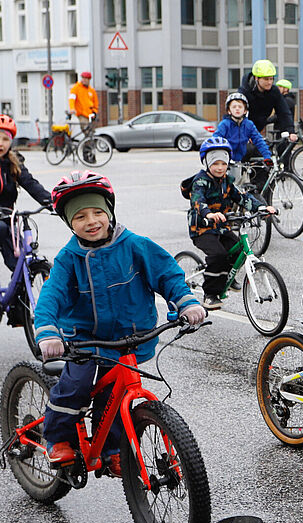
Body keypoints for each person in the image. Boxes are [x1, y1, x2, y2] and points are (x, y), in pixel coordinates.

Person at [34, 172, 207, 474]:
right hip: (85, 339)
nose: (92, 221)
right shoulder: (68, 259)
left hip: (131, 335)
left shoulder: (135, 245)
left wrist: (186, 302)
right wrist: (48, 330)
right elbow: (51, 295)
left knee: (114, 398)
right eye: (81, 216)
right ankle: (57, 438)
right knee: (74, 387)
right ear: (68, 222)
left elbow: (168, 274)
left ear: (110, 212)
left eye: (98, 212)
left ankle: (114, 449)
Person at [188, 137, 275, 310]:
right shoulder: (200, 181)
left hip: (221, 226)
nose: (220, 168)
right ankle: (210, 294)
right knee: (218, 255)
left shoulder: (227, 180)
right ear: (206, 163)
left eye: (223, 163)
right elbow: (198, 201)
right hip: (202, 228)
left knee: (237, 249)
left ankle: (225, 276)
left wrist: (262, 207)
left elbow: (241, 197)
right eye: (215, 164)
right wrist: (209, 213)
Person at [0, 115, 52, 277]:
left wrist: (52, 202)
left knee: (21, 262)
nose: (1, 143)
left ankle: (19, 298)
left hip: (7, 218)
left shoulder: (14, 162)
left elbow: (30, 183)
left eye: (5, 139)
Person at [238, 59, 295, 138]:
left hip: (258, 128)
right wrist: (246, 133)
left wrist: (291, 130)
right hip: (241, 130)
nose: (269, 82)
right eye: (266, 79)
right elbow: (237, 114)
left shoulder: (274, 92)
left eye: (271, 79)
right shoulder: (244, 92)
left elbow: (284, 112)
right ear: (256, 78)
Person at [67, 71, 100, 163]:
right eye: (83, 78)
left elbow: (95, 103)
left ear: (89, 80)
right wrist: (72, 108)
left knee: (92, 134)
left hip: (90, 114)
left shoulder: (91, 90)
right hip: (82, 114)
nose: (84, 80)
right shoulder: (76, 88)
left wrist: (95, 112)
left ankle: (90, 154)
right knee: (88, 134)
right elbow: (71, 99)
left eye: (86, 79)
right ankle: (86, 155)